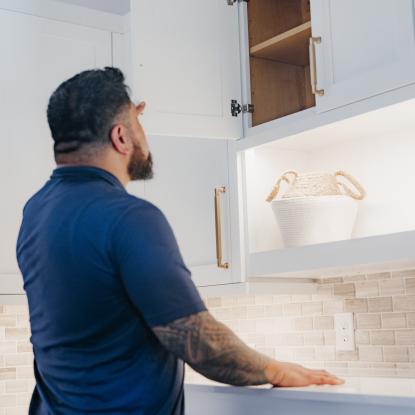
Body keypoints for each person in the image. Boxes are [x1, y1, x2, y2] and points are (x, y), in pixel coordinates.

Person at [16, 67, 343, 415]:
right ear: (121, 137)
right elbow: (194, 337)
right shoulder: (130, 217)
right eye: (137, 124)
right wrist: (275, 369)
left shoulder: (35, 213)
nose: (145, 135)